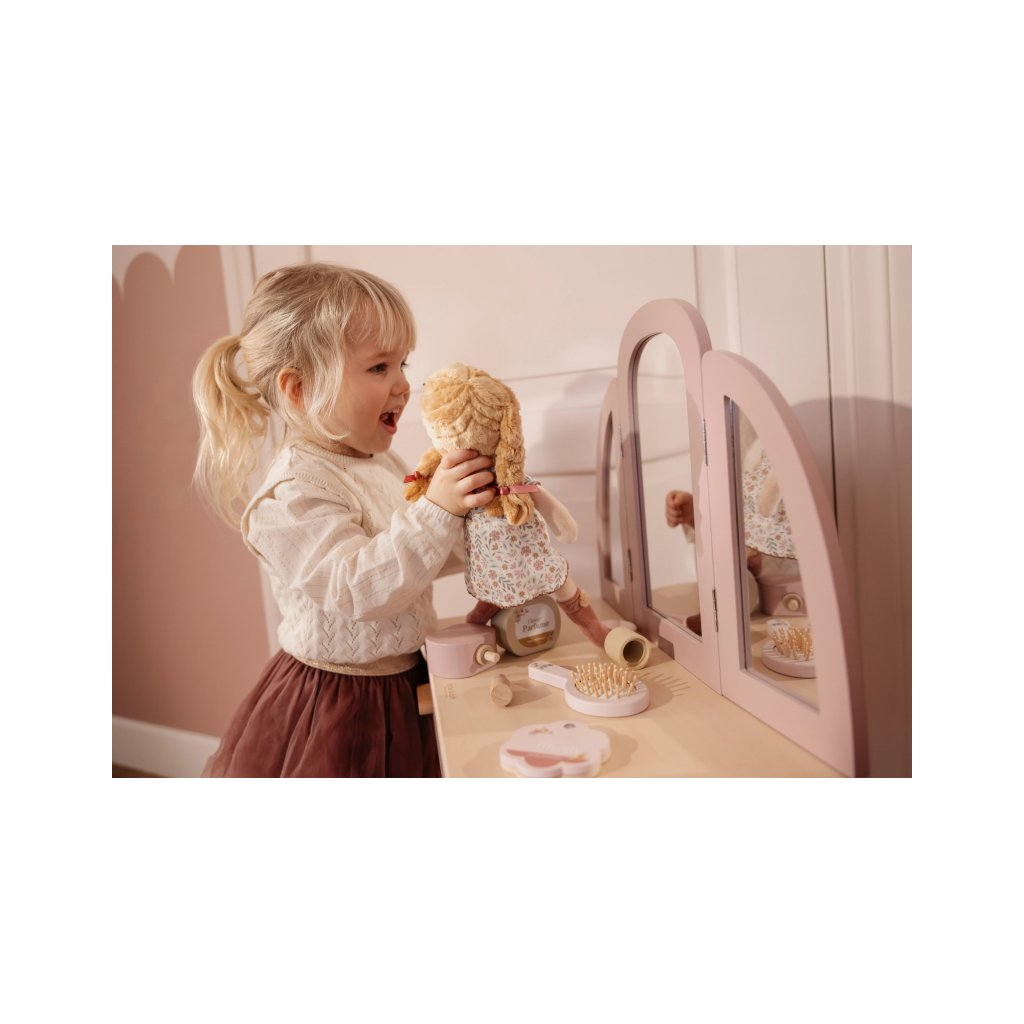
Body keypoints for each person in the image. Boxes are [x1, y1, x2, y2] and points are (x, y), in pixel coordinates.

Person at [191, 263, 496, 777]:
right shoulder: (291, 494)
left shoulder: (381, 462)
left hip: (407, 680)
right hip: (338, 704)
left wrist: (479, 518)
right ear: (299, 389)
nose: (403, 385)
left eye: (402, 363)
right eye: (379, 368)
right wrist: (438, 509)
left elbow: (413, 555)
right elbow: (359, 588)